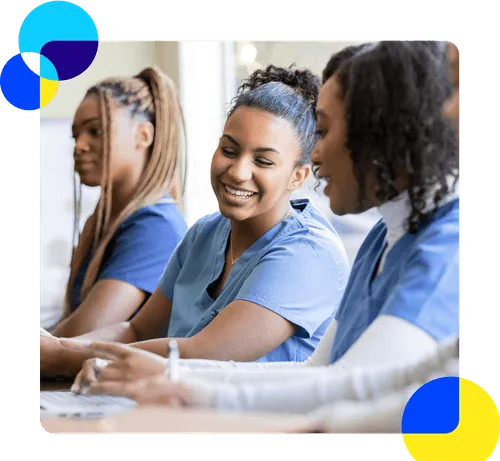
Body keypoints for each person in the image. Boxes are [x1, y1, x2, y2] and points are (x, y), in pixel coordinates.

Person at [65, 41, 461, 427]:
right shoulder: (383, 237)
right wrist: (175, 379)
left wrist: (187, 387)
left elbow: (355, 391)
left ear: (383, 133)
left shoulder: (446, 251)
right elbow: (317, 372)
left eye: (322, 131)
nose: (316, 156)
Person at [40, 65, 350, 379]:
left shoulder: (308, 253)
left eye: (263, 161)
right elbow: (136, 330)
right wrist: (56, 346)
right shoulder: (205, 233)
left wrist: (63, 355)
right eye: (229, 150)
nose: (238, 171)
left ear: (298, 176)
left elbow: (205, 353)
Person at [47, 67, 188, 339]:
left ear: (144, 136)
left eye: (95, 131)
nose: (79, 145)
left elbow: (80, 335)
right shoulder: (104, 225)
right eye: (76, 135)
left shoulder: (155, 226)